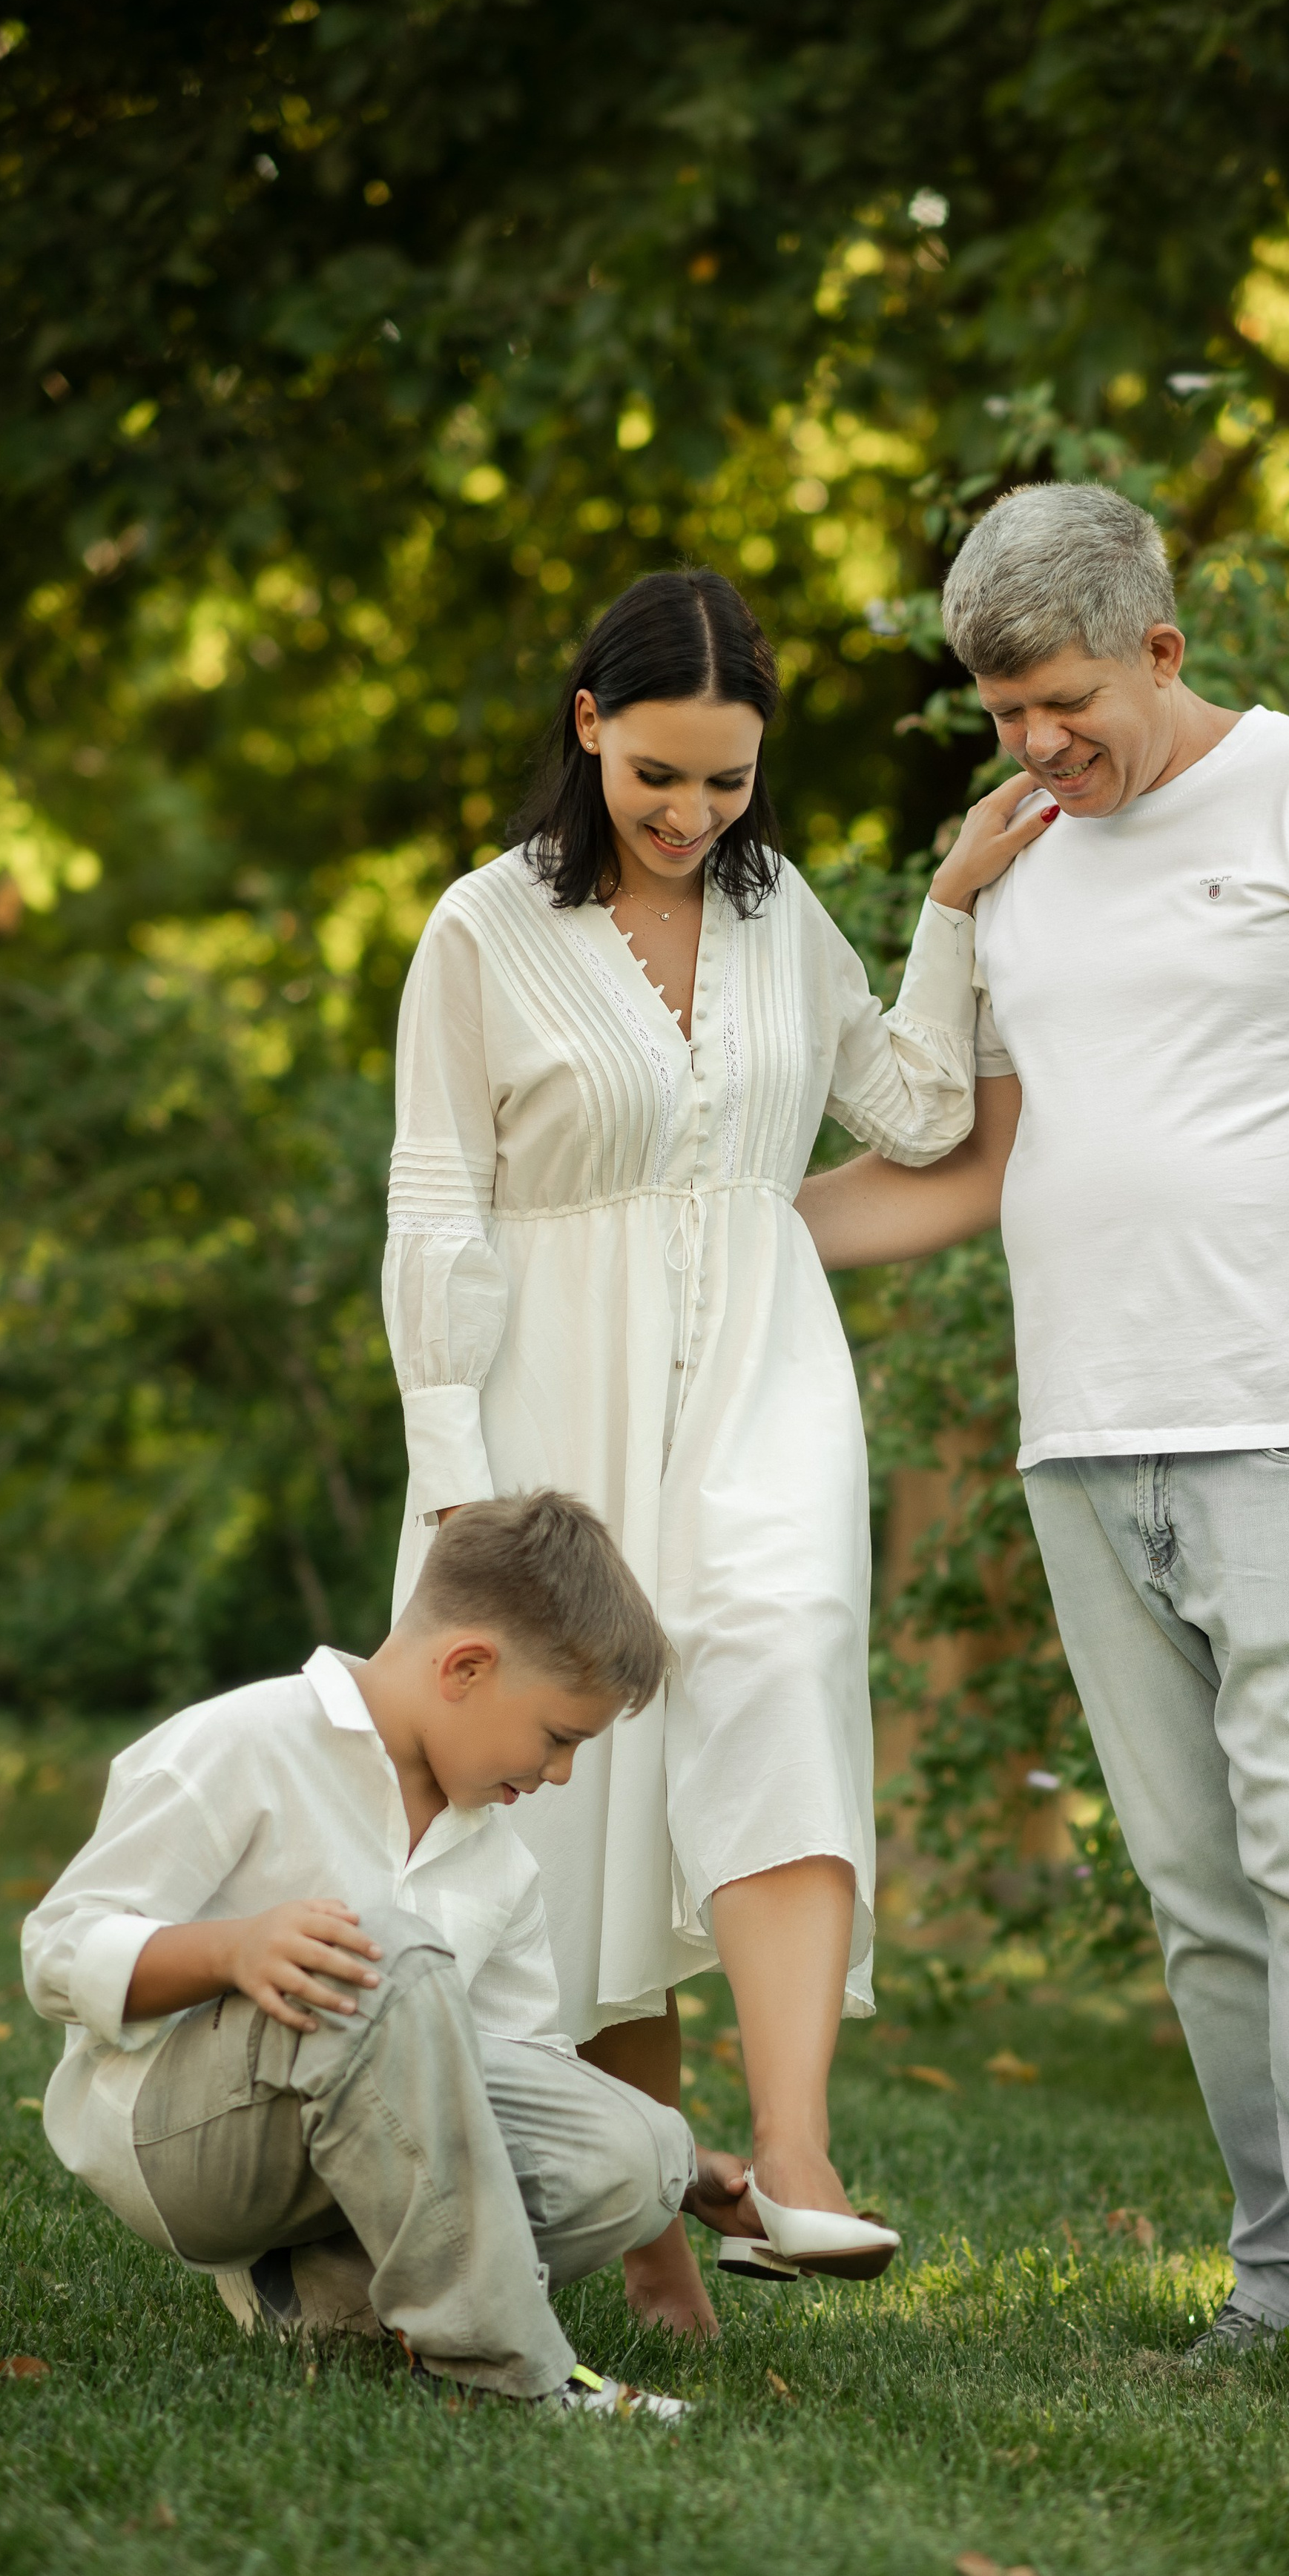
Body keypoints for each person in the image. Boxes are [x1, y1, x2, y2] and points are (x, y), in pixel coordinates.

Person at [796, 483, 1289, 2435]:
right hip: (1086, 1449)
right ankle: (1286, 2275)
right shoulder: (1020, 869)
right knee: (1201, 1891)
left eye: (1065, 702)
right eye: (1004, 713)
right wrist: (713, 1224)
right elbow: (974, 1170)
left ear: (1163, 649)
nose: (1035, 747)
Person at [381, 569, 1055, 2335]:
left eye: (728, 783)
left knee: (773, 1658)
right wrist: (455, 1463)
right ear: (587, 727)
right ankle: (659, 2237)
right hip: (540, 1397)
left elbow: (911, 1111)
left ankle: (798, 2157)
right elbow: (437, 1205)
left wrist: (954, 910)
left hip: (764, 1374)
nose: (691, 818)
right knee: (579, 1779)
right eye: (657, 777)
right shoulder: (479, 928)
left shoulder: (780, 920)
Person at [22, 1490, 717, 2419]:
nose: (560, 1775)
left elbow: (520, 2076)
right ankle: (509, 2373)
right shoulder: (243, 1741)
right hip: (184, 2144)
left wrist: (688, 2164)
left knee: (635, 2149)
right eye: (559, 1739)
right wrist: (233, 1949)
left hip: (363, 2151)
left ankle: (320, 2300)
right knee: (381, 1944)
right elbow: (56, 1951)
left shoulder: (500, 1859)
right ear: (466, 1667)